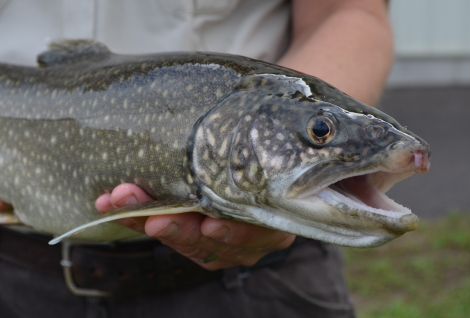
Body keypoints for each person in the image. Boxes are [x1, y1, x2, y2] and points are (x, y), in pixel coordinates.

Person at [0, 0, 393, 317]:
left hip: (262, 281)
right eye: (320, 133)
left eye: (318, 133)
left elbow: (348, 10)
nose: (321, 137)